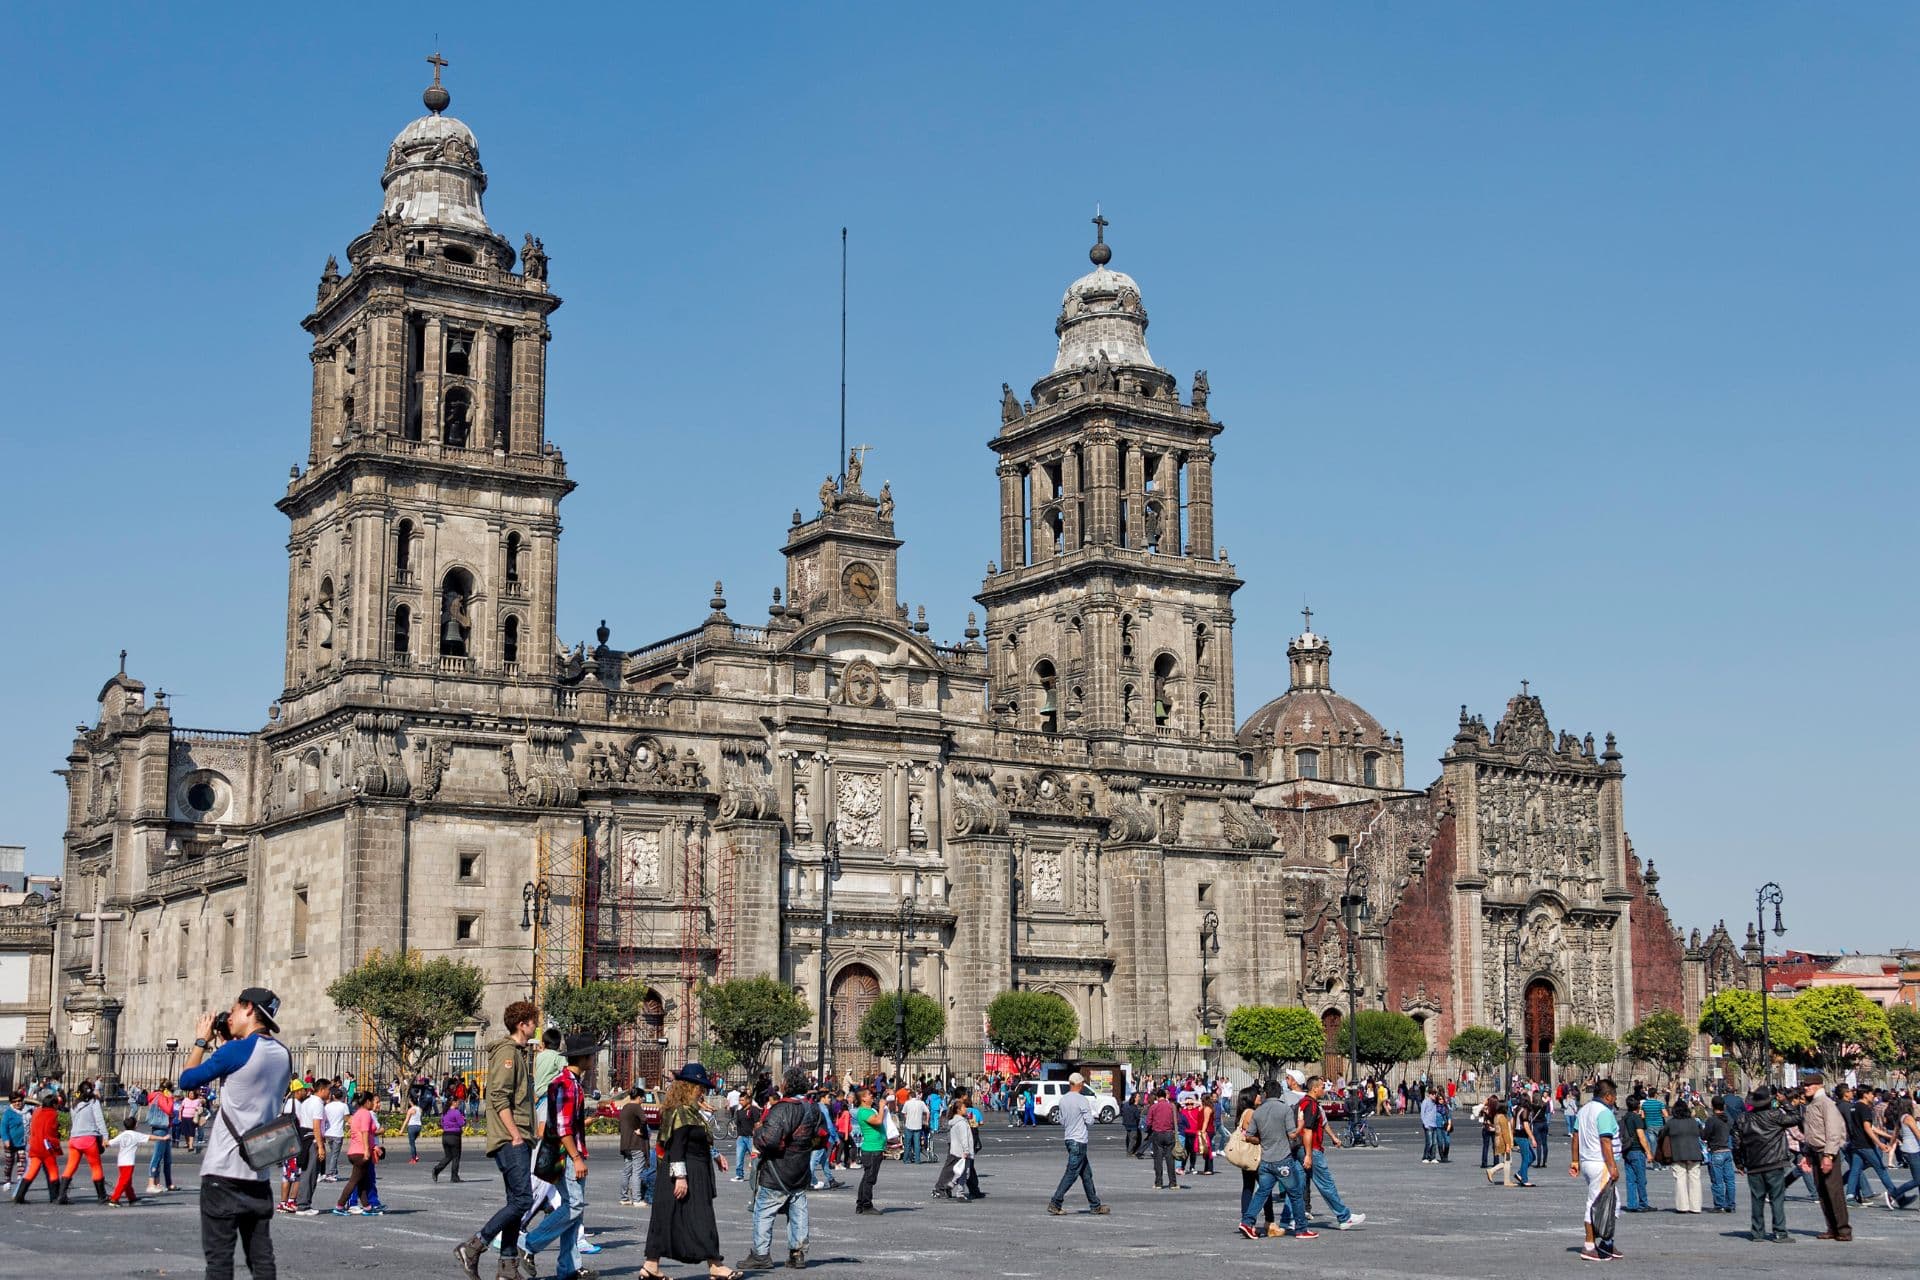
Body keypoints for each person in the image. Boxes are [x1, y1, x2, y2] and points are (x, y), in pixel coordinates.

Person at [177, 987, 293, 1280]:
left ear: (248, 1009)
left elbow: (187, 1079)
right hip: (258, 1170)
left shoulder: (235, 1051)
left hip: (223, 1173)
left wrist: (202, 1040)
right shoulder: (283, 1054)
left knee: (219, 1262)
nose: (230, 1015)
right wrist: (228, 1041)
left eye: (234, 1009)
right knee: (262, 1258)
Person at [456, 999, 540, 1280]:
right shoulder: (507, 1054)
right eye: (533, 1021)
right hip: (510, 1139)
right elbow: (499, 1097)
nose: (536, 1026)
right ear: (522, 1024)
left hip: (516, 1137)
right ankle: (475, 1245)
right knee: (523, 1200)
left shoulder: (517, 1053)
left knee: (515, 1201)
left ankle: (507, 1266)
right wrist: (516, 1133)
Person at [642, 1063, 739, 1280]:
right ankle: (715, 1264)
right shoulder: (681, 1112)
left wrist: (715, 1155)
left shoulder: (689, 1111)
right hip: (687, 1171)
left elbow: (698, 1140)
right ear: (688, 1086)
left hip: (691, 1168)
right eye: (699, 1086)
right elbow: (676, 1146)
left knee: (665, 1217)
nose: (702, 1090)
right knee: (702, 1217)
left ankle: (651, 1265)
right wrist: (681, 1177)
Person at [520, 1033, 600, 1280]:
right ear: (584, 1057)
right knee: (574, 1206)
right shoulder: (567, 1085)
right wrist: (577, 1158)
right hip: (565, 1155)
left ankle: (569, 1268)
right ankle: (530, 1244)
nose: (594, 1059)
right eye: (592, 1055)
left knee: (572, 1208)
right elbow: (564, 1127)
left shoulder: (567, 1082)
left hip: (560, 1152)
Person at [742, 1066, 819, 1269]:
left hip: (778, 1169)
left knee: (764, 1211)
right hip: (800, 1167)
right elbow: (820, 1137)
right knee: (798, 1209)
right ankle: (798, 1253)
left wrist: (758, 1131)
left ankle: (760, 1254)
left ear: (786, 1085)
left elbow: (769, 1140)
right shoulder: (811, 1108)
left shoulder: (783, 1108)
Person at [1236, 1077, 1312, 1240]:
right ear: (1279, 1093)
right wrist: (1300, 1125)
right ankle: (1301, 1228)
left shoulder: (1259, 1112)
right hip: (1282, 1158)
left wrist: (1262, 1140)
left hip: (1265, 1160)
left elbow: (1249, 1136)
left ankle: (1247, 1221)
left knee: (1262, 1192)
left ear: (1266, 1094)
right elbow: (1292, 1134)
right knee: (1295, 1193)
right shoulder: (1284, 1109)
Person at [1733, 1083, 1798, 1242]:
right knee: (1777, 1198)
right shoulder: (1775, 1115)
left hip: (1753, 1164)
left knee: (1757, 1199)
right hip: (1774, 1162)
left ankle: (1757, 1232)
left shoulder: (1742, 1118)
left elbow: (1736, 1143)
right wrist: (1785, 1102)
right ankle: (1780, 1232)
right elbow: (1796, 1117)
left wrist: (1739, 1163)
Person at [1300, 1075, 1364, 1229]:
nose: (1324, 1089)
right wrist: (1309, 1154)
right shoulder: (1311, 1105)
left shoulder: (1303, 1103)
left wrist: (1333, 1137)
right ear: (1314, 1088)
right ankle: (1344, 1216)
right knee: (1326, 1185)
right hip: (1312, 1149)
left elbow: (1321, 1123)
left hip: (1302, 1149)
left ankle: (1289, 1218)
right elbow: (1307, 1130)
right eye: (1322, 1087)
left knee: (1298, 1185)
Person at [1573, 1077, 1623, 1262]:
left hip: (1587, 1161)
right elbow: (1605, 1140)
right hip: (1600, 1162)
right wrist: (1612, 1167)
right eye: (1614, 1096)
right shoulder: (1604, 1112)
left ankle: (1607, 1242)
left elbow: (1575, 1136)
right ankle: (1589, 1245)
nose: (1615, 1100)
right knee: (1594, 1203)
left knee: (1614, 1201)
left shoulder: (1584, 1110)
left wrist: (1575, 1161)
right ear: (1608, 1096)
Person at [1045, 1072, 1108, 1216]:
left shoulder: (1063, 1100)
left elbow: (1061, 1120)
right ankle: (1055, 1202)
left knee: (1086, 1174)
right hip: (1079, 1140)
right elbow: (1090, 1121)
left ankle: (1095, 1204)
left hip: (1069, 1138)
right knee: (1071, 1173)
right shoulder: (1082, 1100)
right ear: (1080, 1085)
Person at [1798, 1069, 1850, 1241]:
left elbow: (1834, 1130)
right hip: (1815, 1151)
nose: (1806, 1088)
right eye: (1805, 1085)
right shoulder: (1812, 1103)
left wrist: (1829, 1154)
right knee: (1822, 1191)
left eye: (1809, 1085)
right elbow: (1811, 1131)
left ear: (1819, 1086)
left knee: (1834, 1190)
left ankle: (1843, 1229)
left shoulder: (1825, 1103)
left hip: (1826, 1152)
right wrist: (1806, 1154)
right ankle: (1832, 1227)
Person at [59, 1080, 109, 1203]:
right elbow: (99, 1120)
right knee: (96, 1167)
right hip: (89, 1138)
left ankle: (61, 1195)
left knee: (70, 1166)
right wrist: (105, 1136)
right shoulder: (94, 1102)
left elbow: (73, 1120)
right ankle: (102, 1196)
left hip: (74, 1138)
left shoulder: (75, 1104)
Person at [11, 1087, 62, 1203]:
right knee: (53, 1170)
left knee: (32, 1171)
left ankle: (20, 1195)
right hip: (46, 1147)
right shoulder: (53, 1114)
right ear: (53, 1104)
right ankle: (54, 1196)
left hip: (34, 1145)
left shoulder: (37, 1111)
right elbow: (52, 1131)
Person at [333, 1093, 380, 1216]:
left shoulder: (357, 1114)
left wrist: (373, 1146)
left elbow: (366, 1132)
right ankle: (339, 1205)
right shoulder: (365, 1114)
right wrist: (367, 1150)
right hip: (360, 1151)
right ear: (368, 1102)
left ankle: (367, 1207)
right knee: (354, 1181)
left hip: (355, 1151)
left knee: (362, 1181)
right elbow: (364, 1132)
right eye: (372, 1101)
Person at [932, 1086, 976, 1202]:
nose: (967, 1097)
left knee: (962, 1168)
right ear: (962, 1096)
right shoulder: (955, 1105)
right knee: (953, 1167)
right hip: (956, 1143)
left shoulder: (958, 1110)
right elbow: (950, 1124)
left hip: (956, 1142)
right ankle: (942, 1187)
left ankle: (968, 1188)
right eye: (966, 1095)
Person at [851, 1084, 889, 1215]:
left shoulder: (869, 1109)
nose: (871, 1096)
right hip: (872, 1149)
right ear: (863, 1099)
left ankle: (861, 1203)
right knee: (870, 1178)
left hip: (875, 1147)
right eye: (868, 1095)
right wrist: (881, 1107)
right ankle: (867, 1205)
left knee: (867, 1177)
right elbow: (878, 1121)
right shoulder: (864, 1112)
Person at [292, 1078, 328, 1213]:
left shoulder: (306, 1102)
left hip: (304, 1138)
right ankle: (303, 1205)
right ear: (322, 1090)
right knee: (311, 1173)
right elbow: (316, 1126)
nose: (329, 1093)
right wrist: (320, 1146)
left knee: (306, 1172)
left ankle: (302, 1202)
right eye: (328, 1089)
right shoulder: (317, 1103)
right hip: (312, 1139)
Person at [1665, 1099, 1706, 1213]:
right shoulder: (1694, 1122)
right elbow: (1703, 1134)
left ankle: (1683, 1206)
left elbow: (1662, 1134)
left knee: (1680, 1179)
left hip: (1677, 1153)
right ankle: (1696, 1207)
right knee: (1695, 1179)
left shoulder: (1671, 1123)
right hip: (1694, 1153)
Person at [619, 1085, 653, 1207]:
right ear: (638, 1097)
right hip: (636, 1144)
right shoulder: (636, 1107)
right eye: (642, 1097)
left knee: (627, 1171)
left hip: (625, 1144)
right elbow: (644, 1120)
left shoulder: (625, 1107)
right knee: (637, 1172)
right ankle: (637, 1199)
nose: (643, 1099)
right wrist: (642, 1131)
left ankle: (624, 1197)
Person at [105, 1120, 154, 1206]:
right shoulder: (135, 1134)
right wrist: (163, 1138)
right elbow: (149, 1137)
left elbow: (109, 1143)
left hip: (121, 1161)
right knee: (124, 1181)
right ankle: (114, 1199)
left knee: (127, 1181)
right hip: (129, 1162)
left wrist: (104, 1142)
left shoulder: (122, 1134)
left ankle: (132, 1198)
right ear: (134, 1126)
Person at [1620, 1094, 1652, 1212]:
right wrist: (1648, 1152)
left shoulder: (1626, 1117)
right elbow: (1641, 1136)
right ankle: (1643, 1203)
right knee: (1641, 1179)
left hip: (1627, 1149)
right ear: (1638, 1105)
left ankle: (1632, 1204)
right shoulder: (1636, 1118)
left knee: (1630, 1179)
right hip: (1637, 1149)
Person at [1147, 1087, 1182, 1189]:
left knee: (1158, 1159)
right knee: (1170, 1159)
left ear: (1157, 1097)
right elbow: (1177, 1119)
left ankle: (1158, 1183)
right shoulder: (1171, 1106)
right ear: (1165, 1096)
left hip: (1157, 1133)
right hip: (1169, 1133)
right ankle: (1173, 1183)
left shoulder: (1153, 1107)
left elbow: (1149, 1122)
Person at [144, 1082, 175, 1193]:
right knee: (157, 1156)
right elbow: (168, 1110)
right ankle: (151, 1183)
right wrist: (170, 1099)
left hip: (163, 1128)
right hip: (160, 1129)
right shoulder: (161, 1097)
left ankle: (157, 1183)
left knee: (166, 1157)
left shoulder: (156, 1096)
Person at [434, 1095, 468, 1183]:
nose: (458, 1104)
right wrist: (464, 1120)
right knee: (456, 1157)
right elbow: (461, 1123)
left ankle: (437, 1169)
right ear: (454, 1102)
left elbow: (442, 1123)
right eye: (458, 1103)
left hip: (445, 1136)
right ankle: (454, 1177)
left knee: (448, 1156)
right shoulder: (456, 1112)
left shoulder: (445, 1112)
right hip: (454, 1136)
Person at [321, 1081, 349, 1181]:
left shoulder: (327, 1106)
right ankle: (331, 1172)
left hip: (329, 1132)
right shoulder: (344, 1106)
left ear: (333, 1096)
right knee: (334, 1155)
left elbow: (324, 1119)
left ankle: (334, 1171)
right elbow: (347, 1119)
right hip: (338, 1133)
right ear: (342, 1097)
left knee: (333, 1153)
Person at [1487, 1097, 1515, 1188]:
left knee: (1507, 1161)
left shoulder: (1496, 1116)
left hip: (1498, 1139)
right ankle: (1506, 1180)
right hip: (1503, 1140)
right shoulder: (1503, 1117)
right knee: (1507, 1161)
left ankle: (1492, 1170)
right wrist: (1508, 1144)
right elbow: (1505, 1132)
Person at [1, 1091, 26, 1191]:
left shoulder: (26, 1111)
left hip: (22, 1142)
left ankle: (20, 1179)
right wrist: (6, 1139)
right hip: (10, 1143)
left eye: (19, 1101)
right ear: (11, 1102)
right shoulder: (8, 1113)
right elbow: (3, 1128)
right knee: (9, 1164)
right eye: (14, 1101)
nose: (17, 1103)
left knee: (22, 1161)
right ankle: (7, 1180)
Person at [900, 1089, 928, 1165]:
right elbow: (927, 1112)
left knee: (907, 1143)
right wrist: (926, 1121)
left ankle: (906, 1159)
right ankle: (917, 1160)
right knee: (917, 1143)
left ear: (909, 1096)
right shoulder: (921, 1103)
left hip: (909, 1125)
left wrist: (908, 1118)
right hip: (918, 1125)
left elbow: (904, 1113)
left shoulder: (907, 1103)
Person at [404, 1098, 423, 1164]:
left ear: (411, 1102)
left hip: (412, 1127)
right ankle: (415, 1156)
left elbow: (406, 1120)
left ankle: (413, 1159)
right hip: (418, 1126)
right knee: (412, 1142)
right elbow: (420, 1119)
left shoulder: (411, 1110)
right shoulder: (420, 1109)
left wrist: (401, 1130)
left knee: (412, 1144)